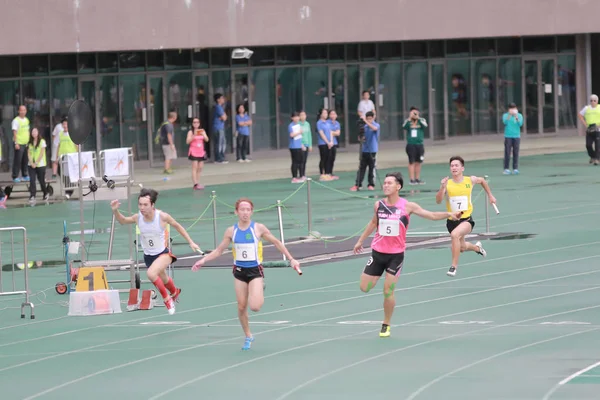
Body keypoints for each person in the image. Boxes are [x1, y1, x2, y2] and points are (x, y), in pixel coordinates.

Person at [354, 172, 462, 338]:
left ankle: (386, 323)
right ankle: (376, 276)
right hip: (377, 253)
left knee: (388, 291)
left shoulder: (407, 206)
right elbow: (373, 223)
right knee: (365, 287)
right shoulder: (379, 205)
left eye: (390, 183)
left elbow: (431, 215)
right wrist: (360, 241)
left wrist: (449, 215)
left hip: (395, 256)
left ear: (398, 187)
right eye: (385, 183)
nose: (386, 185)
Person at [191, 197, 301, 350]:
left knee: (255, 306)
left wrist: (291, 259)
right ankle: (248, 335)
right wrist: (203, 261)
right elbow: (219, 250)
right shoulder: (231, 231)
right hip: (239, 271)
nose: (245, 212)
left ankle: (260, 285)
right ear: (237, 212)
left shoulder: (258, 228)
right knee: (241, 306)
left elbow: (276, 242)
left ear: (251, 212)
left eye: (248, 210)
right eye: (242, 209)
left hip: (255, 270)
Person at [111, 188, 202, 315]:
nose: (142, 207)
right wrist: (115, 210)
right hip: (149, 256)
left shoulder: (162, 217)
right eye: (140, 204)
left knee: (151, 274)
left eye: (145, 205)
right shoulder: (138, 218)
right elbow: (122, 221)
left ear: (152, 205)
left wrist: (191, 242)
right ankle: (175, 292)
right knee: (163, 278)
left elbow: (178, 226)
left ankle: (167, 300)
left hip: (163, 254)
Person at [435, 156, 497, 277]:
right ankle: (477, 248)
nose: (454, 168)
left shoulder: (470, 180)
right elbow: (438, 201)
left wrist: (490, 196)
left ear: (462, 168)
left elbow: (483, 181)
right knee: (461, 247)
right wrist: (442, 187)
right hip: (452, 222)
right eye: (452, 166)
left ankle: (453, 267)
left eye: (456, 165)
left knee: (455, 235)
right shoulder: (447, 184)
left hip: (466, 220)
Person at [402, 107, 427, 184]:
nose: (414, 114)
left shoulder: (421, 120)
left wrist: (418, 118)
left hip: (419, 144)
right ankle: (412, 179)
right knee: (411, 162)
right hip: (411, 145)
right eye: (413, 112)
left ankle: (417, 178)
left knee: (418, 162)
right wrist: (410, 118)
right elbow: (404, 127)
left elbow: (425, 126)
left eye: (416, 112)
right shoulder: (408, 121)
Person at [186, 117, 209, 190]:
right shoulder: (191, 132)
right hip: (193, 151)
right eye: (194, 122)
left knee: (200, 168)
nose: (196, 124)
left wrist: (203, 134)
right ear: (192, 124)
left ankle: (198, 183)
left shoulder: (202, 131)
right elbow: (187, 141)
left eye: (197, 122)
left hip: (201, 151)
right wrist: (194, 135)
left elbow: (207, 139)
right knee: (194, 167)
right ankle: (195, 184)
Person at [502, 102, 523, 174]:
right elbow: (505, 122)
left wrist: (516, 117)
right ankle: (506, 168)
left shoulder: (519, 115)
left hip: (516, 136)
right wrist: (509, 115)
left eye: (514, 108)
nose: (513, 109)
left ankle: (515, 168)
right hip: (508, 136)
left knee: (516, 152)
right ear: (509, 109)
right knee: (507, 152)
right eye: (511, 108)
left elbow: (520, 124)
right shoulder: (505, 115)